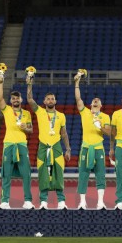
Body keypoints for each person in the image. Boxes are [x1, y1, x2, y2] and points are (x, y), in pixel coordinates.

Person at [27, 80, 71, 210]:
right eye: (48, 99)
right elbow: (29, 99)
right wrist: (29, 83)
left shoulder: (61, 116)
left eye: (52, 99)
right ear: (44, 102)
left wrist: (68, 149)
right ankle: (43, 201)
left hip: (57, 147)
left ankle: (61, 201)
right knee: (43, 174)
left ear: (55, 101)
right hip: (43, 147)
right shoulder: (40, 112)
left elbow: (64, 133)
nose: (50, 100)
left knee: (58, 173)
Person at [75, 72, 111, 210]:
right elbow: (78, 99)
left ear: (101, 105)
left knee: (100, 175)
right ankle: (82, 202)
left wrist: (100, 127)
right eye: (94, 100)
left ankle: (100, 202)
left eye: (98, 100)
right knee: (83, 175)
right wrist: (77, 83)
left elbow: (109, 133)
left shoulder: (105, 116)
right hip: (86, 148)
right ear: (91, 104)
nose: (96, 100)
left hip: (98, 148)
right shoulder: (85, 112)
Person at [0, 73, 33, 209]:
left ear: (21, 100)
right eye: (13, 98)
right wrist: (0, 83)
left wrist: (25, 128)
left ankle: (28, 200)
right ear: (11, 101)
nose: (15, 100)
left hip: (22, 145)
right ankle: (5, 200)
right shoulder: (6, 110)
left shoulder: (27, 113)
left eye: (17, 98)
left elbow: (31, 130)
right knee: (6, 174)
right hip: (9, 145)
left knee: (26, 174)